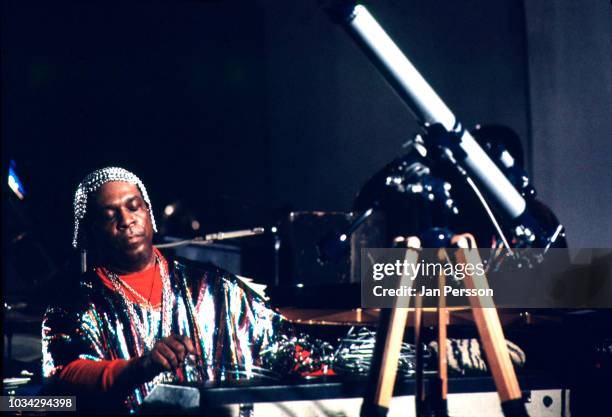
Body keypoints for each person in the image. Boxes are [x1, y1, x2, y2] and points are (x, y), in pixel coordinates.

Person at [42, 167, 283, 413]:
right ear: (91, 230)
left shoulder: (214, 286)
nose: (126, 220)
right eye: (108, 216)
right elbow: (62, 380)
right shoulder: (74, 300)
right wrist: (141, 366)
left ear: (148, 213)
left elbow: (283, 343)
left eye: (133, 207)